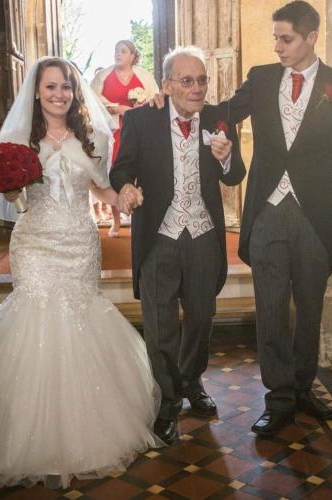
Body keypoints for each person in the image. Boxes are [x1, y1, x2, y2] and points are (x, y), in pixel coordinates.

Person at [0, 57, 161, 495]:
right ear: (36, 92)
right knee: (34, 317)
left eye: (67, 87)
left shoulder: (91, 136)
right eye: (51, 87)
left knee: (78, 316)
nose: (59, 94)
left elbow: (101, 188)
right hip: (35, 242)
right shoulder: (19, 139)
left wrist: (125, 197)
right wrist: (13, 191)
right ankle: (24, 439)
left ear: (76, 93)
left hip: (79, 240)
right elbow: (6, 195)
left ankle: (85, 431)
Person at [220, 1, 332, 436]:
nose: (278, 46)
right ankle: (279, 398)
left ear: (311, 38)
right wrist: (172, 101)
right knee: (270, 308)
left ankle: (304, 388)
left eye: (286, 38)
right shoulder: (262, 78)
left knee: (310, 306)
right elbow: (224, 114)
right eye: (275, 38)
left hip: (315, 212)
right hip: (267, 209)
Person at [109, 46, 246, 444]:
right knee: (160, 323)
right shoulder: (141, 119)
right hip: (159, 236)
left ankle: (191, 381)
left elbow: (235, 176)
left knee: (202, 317)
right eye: (187, 81)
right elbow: (121, 168)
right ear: (166, 85)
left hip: (204, 236)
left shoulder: (220, 118)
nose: (197, 88)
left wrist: (226, 159)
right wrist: (127, 186)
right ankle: (168, 398)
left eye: (202, 79)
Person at [91, 40, 159, 237]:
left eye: (123, 51)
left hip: (138, 133)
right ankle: (117, 220)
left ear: (132, 56)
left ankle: (141, 216)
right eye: (115, 50)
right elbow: (92, 102)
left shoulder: (144, 76)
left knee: (141, 171)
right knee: (115, 171)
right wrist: (117, 108)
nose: (118, 54)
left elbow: (156, 99)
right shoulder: (102, 76)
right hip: (113, 132)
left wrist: (141, 109)